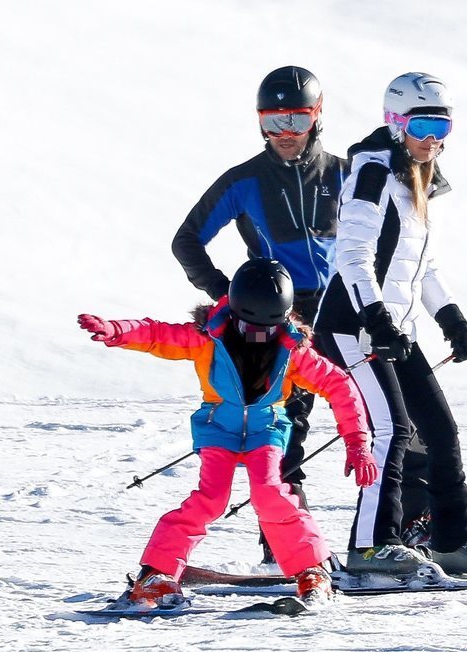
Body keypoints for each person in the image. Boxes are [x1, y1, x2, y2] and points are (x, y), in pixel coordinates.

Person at [77, 258, 378, 607]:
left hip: (266, 429)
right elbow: (158, 334)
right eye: (249, 328)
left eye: (266, 330)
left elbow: (339, 385)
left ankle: (312, 570)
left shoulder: (293, 349)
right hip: (218, 427)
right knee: (211, 498)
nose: (257, 336)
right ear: (234, 313)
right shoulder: (207, 337)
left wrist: (357, 443)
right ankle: (155, 575)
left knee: (269, 493)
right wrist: (117, 330)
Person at [314, 72, 467, 580]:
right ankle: (370, 548)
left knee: (440, 431)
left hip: (394, 328)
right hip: (353, 325)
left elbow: (422, 267)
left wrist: (453, 322)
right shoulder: (373, 171)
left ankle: (451, 542)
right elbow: (352, 254)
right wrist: (374, 316)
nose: (434, 138)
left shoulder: (417, 179)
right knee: (391, 430)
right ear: (396, 124)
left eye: (444, 126)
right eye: (423, 125)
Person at [171, 65, 348, 563]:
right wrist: (234, 297)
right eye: (272, 121)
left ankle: (400, 533)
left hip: (347, 311)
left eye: (295, 119)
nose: (284, 133)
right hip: (282, 322)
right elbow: (186, 241)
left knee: (383, 416)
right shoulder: (244, 180)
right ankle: (285, 542)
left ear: (317, 117)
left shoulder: (346, 173)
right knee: (287, 426)